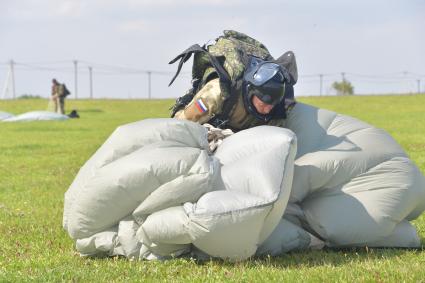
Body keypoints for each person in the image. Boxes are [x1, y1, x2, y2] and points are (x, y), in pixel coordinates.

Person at [170, 31, 298, 132]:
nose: (266, 110)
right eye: (263, 103)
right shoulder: (216, 93)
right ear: (251, 91)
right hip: (208, 119)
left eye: (271, 106)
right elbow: (181, 126)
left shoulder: (277, 111)